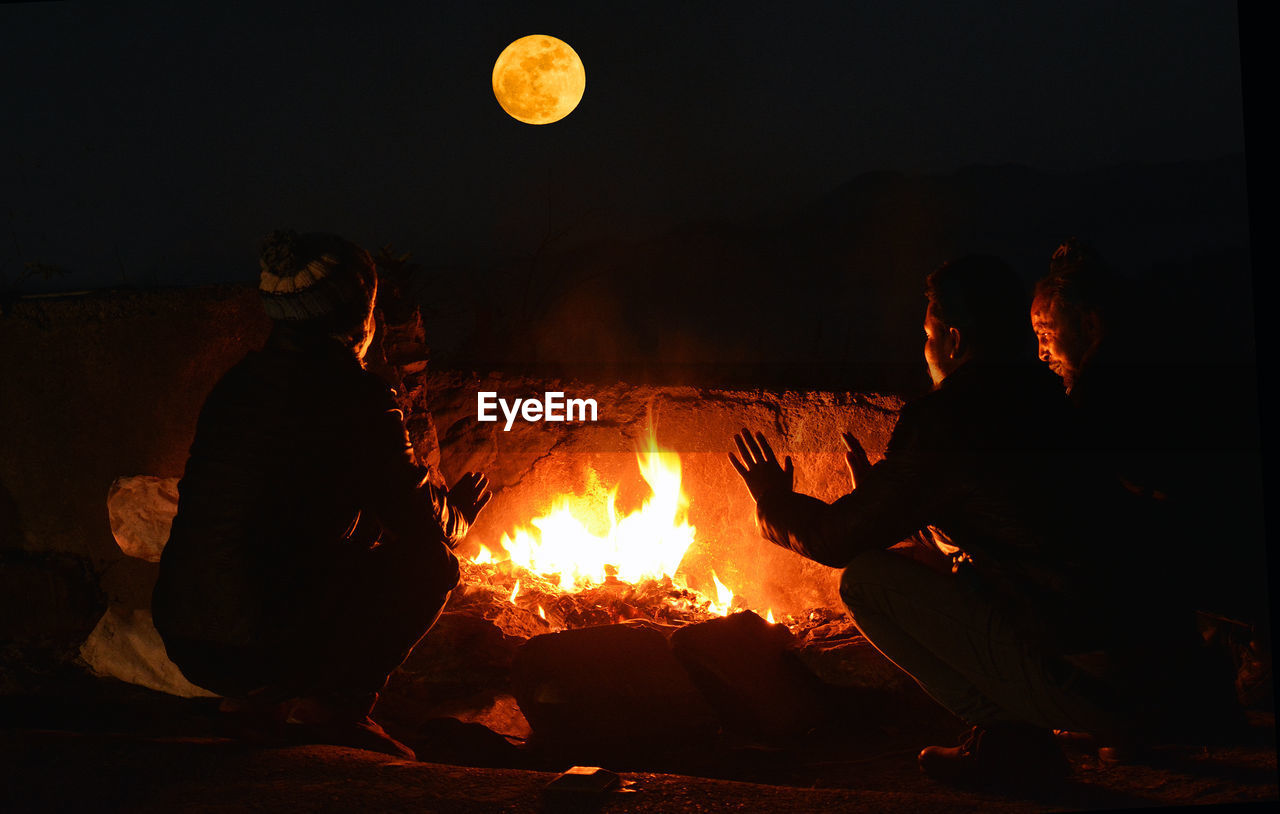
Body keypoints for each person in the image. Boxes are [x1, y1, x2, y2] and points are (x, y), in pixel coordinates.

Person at [729, 256, 1226, 787]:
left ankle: (1007, 743)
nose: (924, 350)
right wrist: (887, 495)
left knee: (867, 581)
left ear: (955, 341)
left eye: (927, 335)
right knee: (916, 564)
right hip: (1164, 674)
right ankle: (1051, 731)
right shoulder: (1050, 398)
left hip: (1100, 683)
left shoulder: (951, 418)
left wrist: (773, 503)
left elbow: (835, 539)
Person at [152, 230, 491, 759]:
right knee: (432, 564)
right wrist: (459, 518)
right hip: (259, 638)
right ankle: (336, 711)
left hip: (185, 631)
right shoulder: (356, 396)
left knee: (326, 551)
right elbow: (419, 519)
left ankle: (255, 705)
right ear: (359, 315)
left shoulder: (236, 384)